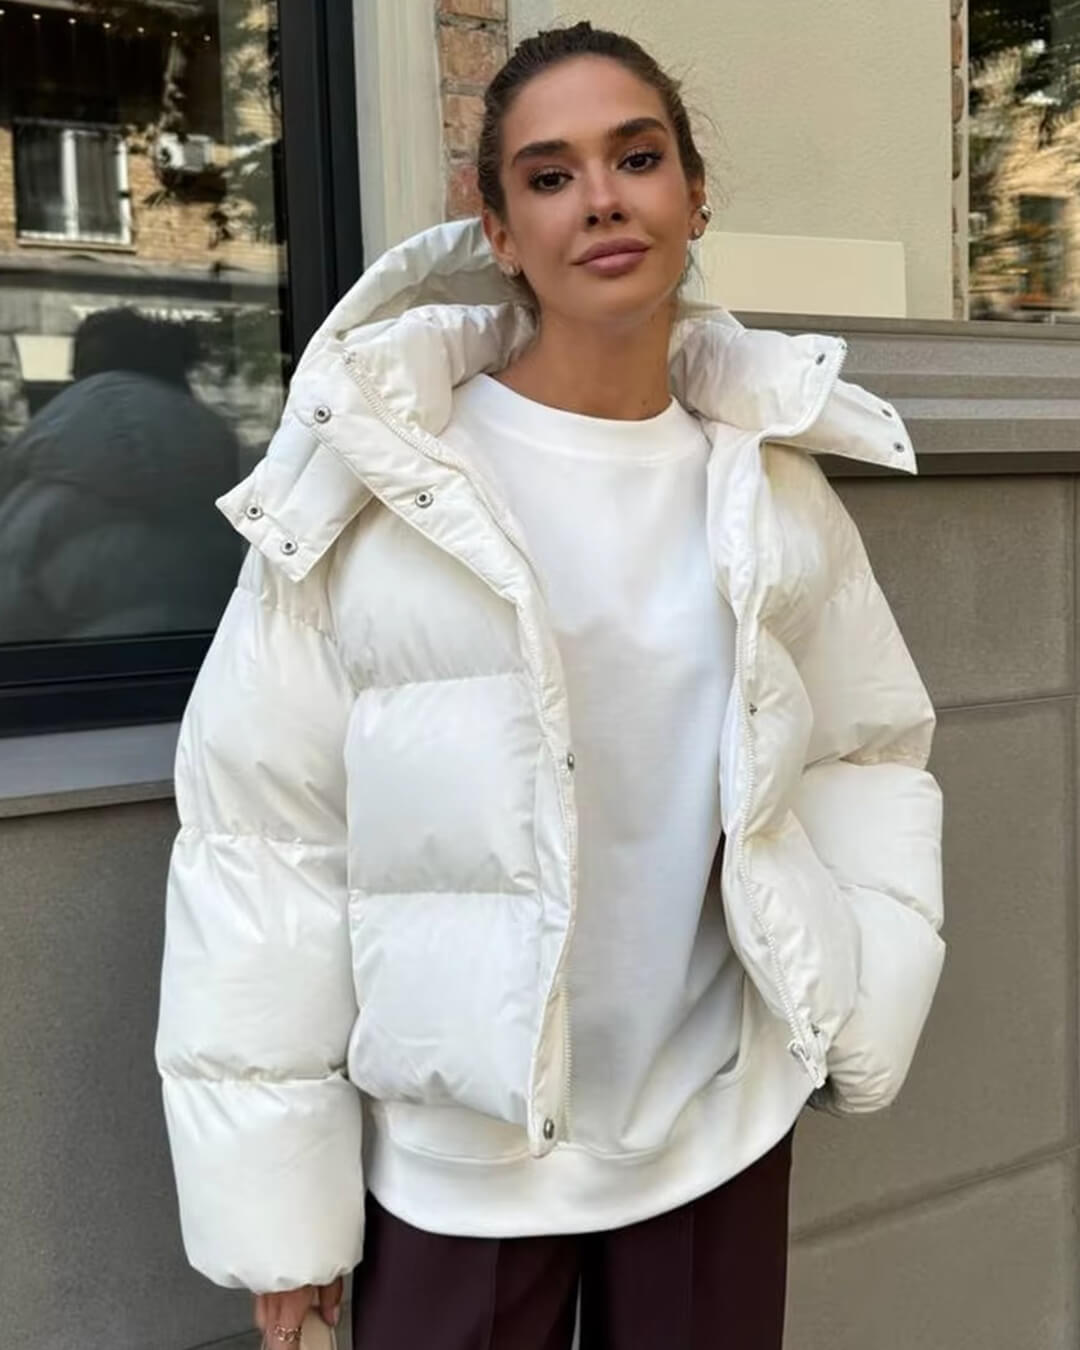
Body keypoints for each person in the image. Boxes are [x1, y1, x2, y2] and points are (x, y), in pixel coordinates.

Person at [156, 22, 945, 1350]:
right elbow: (265, 843)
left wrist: (859, 997)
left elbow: (865, 749)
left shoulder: (771, 482)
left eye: (636, 158)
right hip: (462, 1159)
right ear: (501, 228)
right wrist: (281, 1218)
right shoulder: (384, 479)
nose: (602, 200)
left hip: (712, 1126)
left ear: (695, 195)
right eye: (550, 174)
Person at [0, 308, 240, 642]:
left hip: (83, 669)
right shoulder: (232, 475)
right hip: (221, 662)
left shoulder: (40, 493)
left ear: (81, 372)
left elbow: (12, 618)